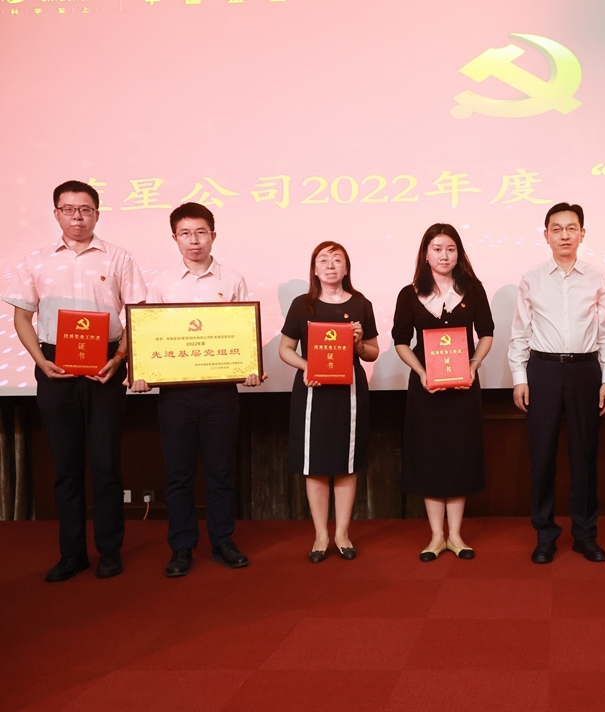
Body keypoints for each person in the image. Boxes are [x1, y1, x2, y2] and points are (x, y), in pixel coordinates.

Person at [2, 180, 147, 581]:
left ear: (96, 214)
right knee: (65, 466)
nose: (77, 217)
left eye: (85, 210)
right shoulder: (35, 260)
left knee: (106, 463)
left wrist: (119, 358)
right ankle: (72, 554)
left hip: (106, 366)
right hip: (55, 366)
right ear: (56, 214)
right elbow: (22, 317)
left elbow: (136, 315)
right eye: (68, 210)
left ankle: (109, 550)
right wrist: (40, 361)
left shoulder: (118, 257)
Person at [129, 203, 264, 577]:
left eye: (201, 232)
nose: (194, 240)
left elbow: (242, 334)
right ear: (174, 238)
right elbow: (149, 334)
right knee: (179, 474)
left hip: (221, 392)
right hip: (176, 395)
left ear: (213, 236)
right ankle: (181, 546)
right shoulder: (162, 283)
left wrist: (250, 368)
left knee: (221, 472)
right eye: (185, 233)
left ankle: (222, 541)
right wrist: (142, 372)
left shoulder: (232, 280)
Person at [508, 202, 605, 564]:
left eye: (571, 228)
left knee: (584, 455)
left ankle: (585, 534)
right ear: (546, 235)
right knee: (542, 456)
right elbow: (520, 332)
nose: (564, 235)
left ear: (582, 234)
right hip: (542, 371)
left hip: (585, 371)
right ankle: (545, 534)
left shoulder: (597, 278)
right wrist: (519, 378)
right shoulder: (532, 278)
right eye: (556, 229)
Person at [392, 224, 494, 561]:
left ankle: (457, 535)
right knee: (431, 457)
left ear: (458, 253)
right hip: (427, 390)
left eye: (450, 249)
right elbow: (400, 341)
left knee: (459, 456)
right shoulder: (410, 294)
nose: (444, 255)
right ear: (426, 253)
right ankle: (437, 536)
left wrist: (474, 364)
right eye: (437, 249)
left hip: (464, 387)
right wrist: (421, 372)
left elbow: (487, 333)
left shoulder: (472, 290)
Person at [279, 241, 379, 563]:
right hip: (313, 391)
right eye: (323, 260)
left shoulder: (361, 304)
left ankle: (342, 534)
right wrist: (307, 366)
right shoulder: (302, 305)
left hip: (349, 393)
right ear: (315, 268)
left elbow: (372, 352)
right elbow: (285, 349)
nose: (330, 265)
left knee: (347, 464)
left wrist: (358, 343)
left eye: (337, 259)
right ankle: (321, 534)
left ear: (346, 267)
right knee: (315, 464)